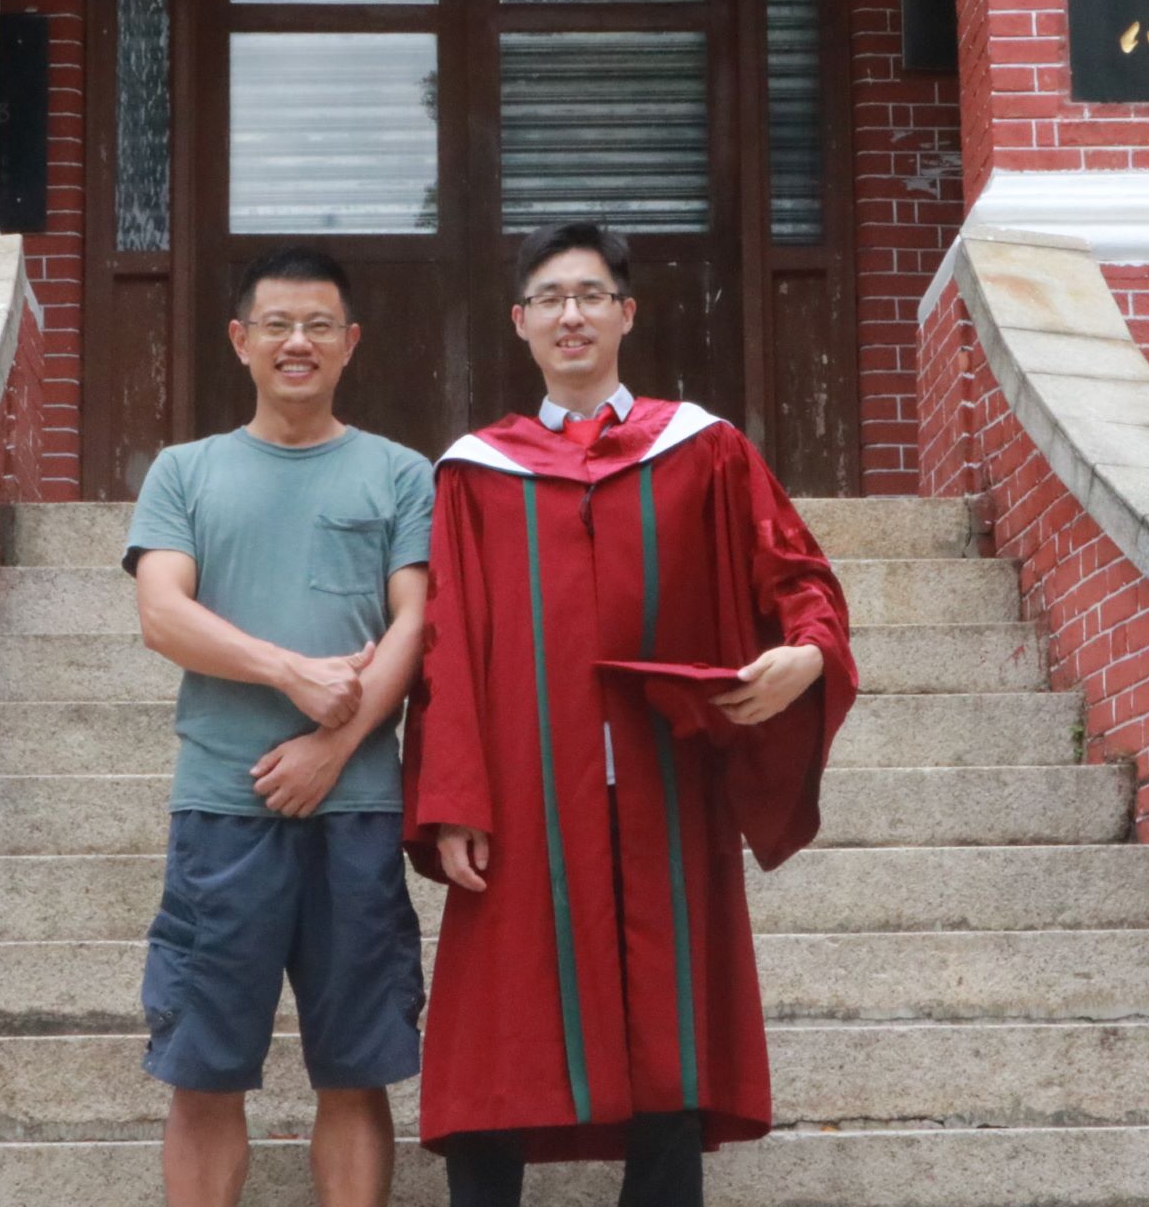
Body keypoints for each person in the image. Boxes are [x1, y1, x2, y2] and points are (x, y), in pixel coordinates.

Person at [402, 221, 858, 1207]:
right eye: (550, 298)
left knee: (669, 1022)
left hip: (664, 777)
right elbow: (444, 645)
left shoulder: (703, 449)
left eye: (591, 296)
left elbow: (797, 575)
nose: (571, 315)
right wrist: (451, 798)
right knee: (502, 1022)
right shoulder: (476, 472)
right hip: (524, 787)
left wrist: (808, 653)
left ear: (626, 314)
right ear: (520, 322)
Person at [127, 246, 433, 1207]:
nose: (297, 342)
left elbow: (416, 625)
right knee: (203, 1069)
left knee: (356, 1067)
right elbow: (161, 614)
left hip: (357, 811)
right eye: (276, 324)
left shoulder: (400, 473)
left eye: (318, 326)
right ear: (239, 340)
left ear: (350, 342)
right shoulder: (184, 472)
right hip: (222, 812)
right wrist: (288, 672)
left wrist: (331, 748)